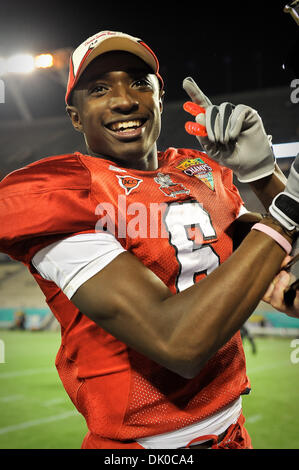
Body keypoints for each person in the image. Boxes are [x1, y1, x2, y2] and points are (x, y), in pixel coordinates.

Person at [0, 30, 298, 450]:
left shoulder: (199, 171)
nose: (124, 99)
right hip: (142, 448)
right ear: (75, 115)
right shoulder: (68, 191)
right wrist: (287, 211)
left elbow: (290, 281)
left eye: (141, 83)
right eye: (100, 88)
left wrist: (265, 177)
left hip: (233, 433)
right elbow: (178, 343)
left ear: (161, 98)